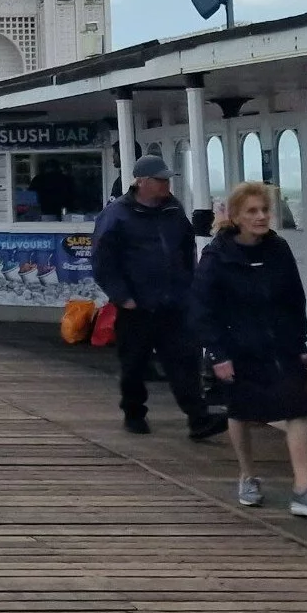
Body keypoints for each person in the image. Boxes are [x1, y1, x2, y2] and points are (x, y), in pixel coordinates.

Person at [191, 182, 307, 520]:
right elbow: (202, 308)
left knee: (297, 409)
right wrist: (218, 353)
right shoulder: (217, 256)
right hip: (237, 348)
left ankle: (303, 489)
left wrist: (301, 344)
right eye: (252, 212)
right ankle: (247, 475)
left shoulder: (279, 249)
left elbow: (294, 299)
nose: (261, 217)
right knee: (240, 412)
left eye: (264, 211)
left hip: (281, 346)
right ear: (236, 217)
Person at [92, 155, 225, 440]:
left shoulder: (173, 210)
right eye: (161, 179)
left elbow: (186, 247)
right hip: (136, 305)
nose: (166, 184)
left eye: (167, 179)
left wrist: (189, 287)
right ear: (142, 182)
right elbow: (103, 260)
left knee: (184, 361)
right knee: (134, 363)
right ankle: (133, 412)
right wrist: (122, 297)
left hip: (174, 303)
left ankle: (198, 419)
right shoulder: (116, 215)